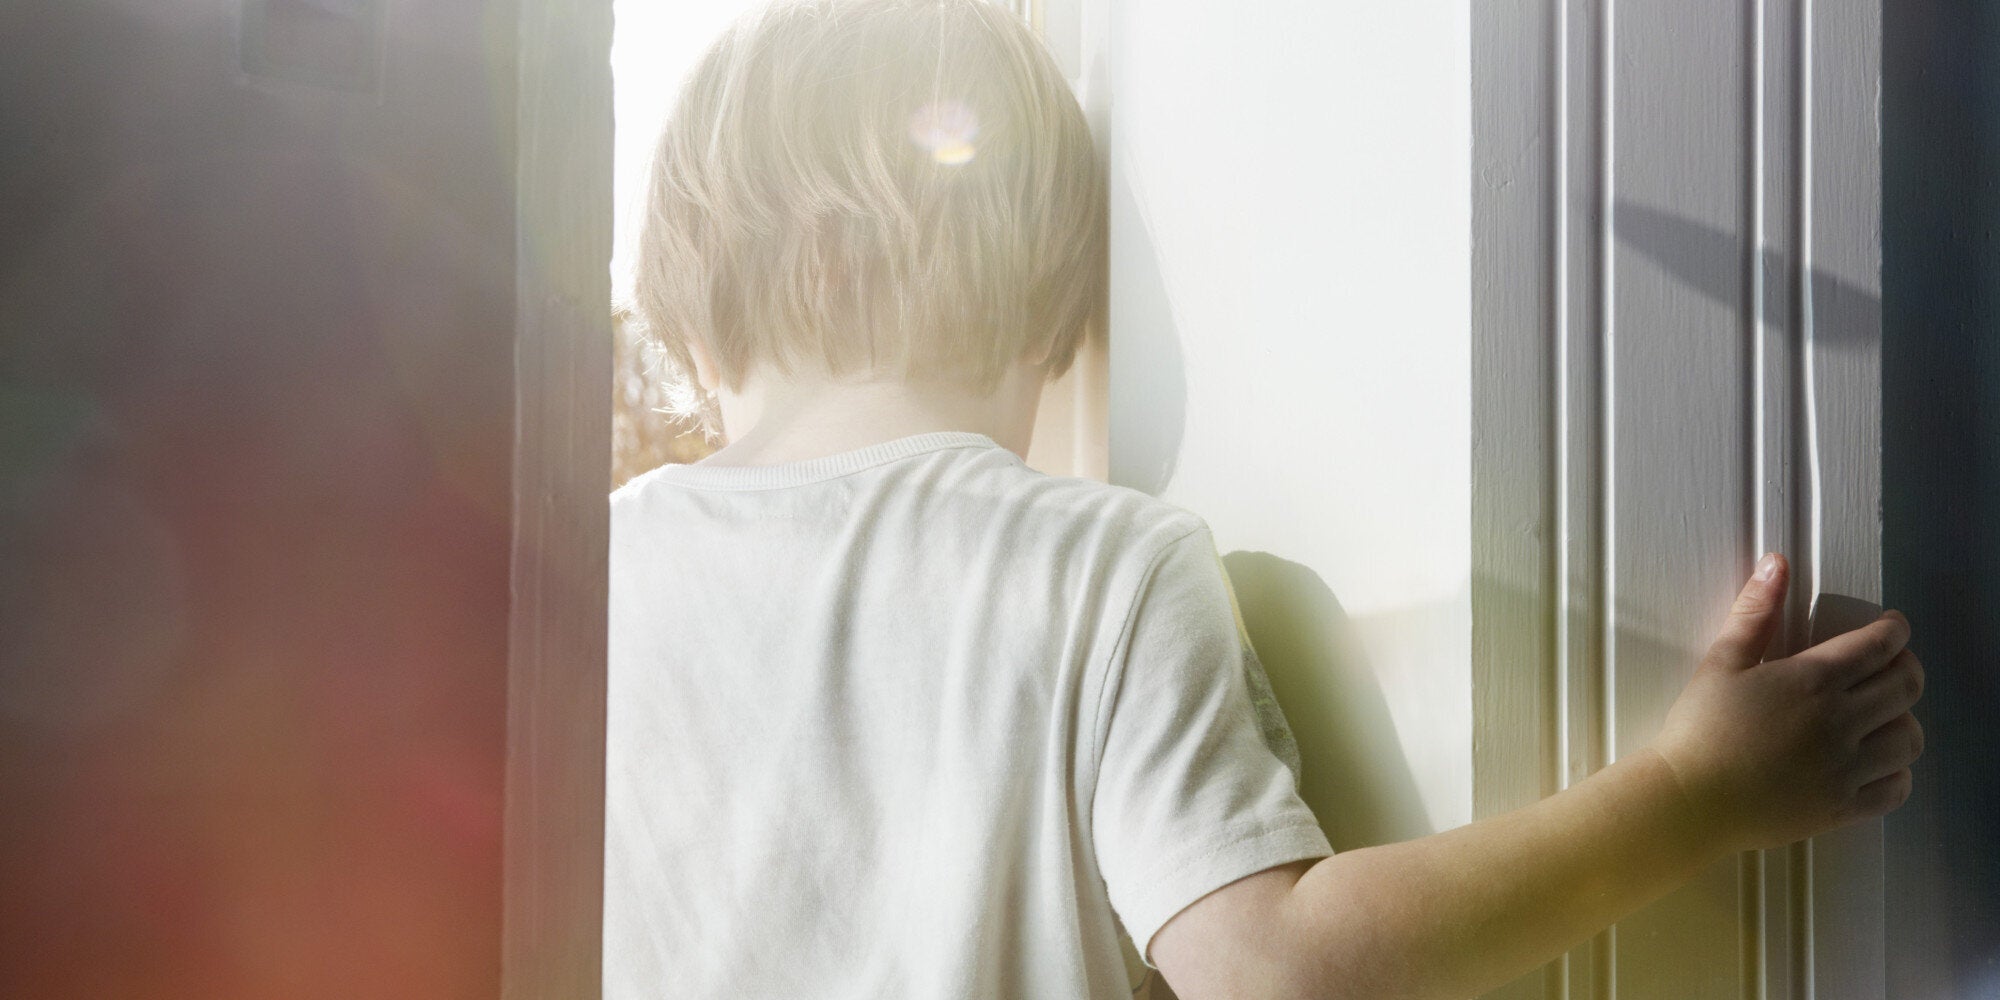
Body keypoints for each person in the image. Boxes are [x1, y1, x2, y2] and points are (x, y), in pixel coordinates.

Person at [603, 2, 1927, 997]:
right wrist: (1692, 791)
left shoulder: (587, 574)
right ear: (1052, 316)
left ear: (703, 319)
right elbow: (1272, 971)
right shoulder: (1100, 563)